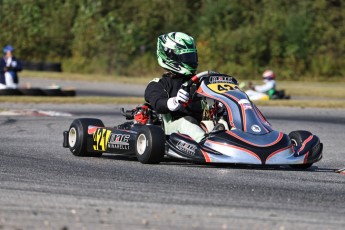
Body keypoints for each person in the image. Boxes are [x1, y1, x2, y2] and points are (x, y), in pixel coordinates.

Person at [144, 32, 206, 142]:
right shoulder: (158, 84)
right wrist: (175, 101)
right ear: (169, 56)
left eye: (191, 57)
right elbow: (158, 104)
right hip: (172, 128)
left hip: (201, 125)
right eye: (185, 57)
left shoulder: (201, 81)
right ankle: (207, 144)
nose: (190, 61)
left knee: (220, 122)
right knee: (187, 121)